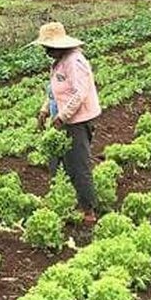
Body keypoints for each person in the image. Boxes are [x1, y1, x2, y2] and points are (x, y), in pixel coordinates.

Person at [34, 21, 100, 223]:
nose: (45, 50)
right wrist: (45, 109)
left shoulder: (75, 61)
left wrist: (62, 117)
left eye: (47, 47)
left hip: (76, 122)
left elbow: (80, 93)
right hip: (60, 120)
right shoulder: (58, 61)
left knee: (78, 165)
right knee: (56, 162)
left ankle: (88, 209)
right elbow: (55, 90)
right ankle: (60, 198)